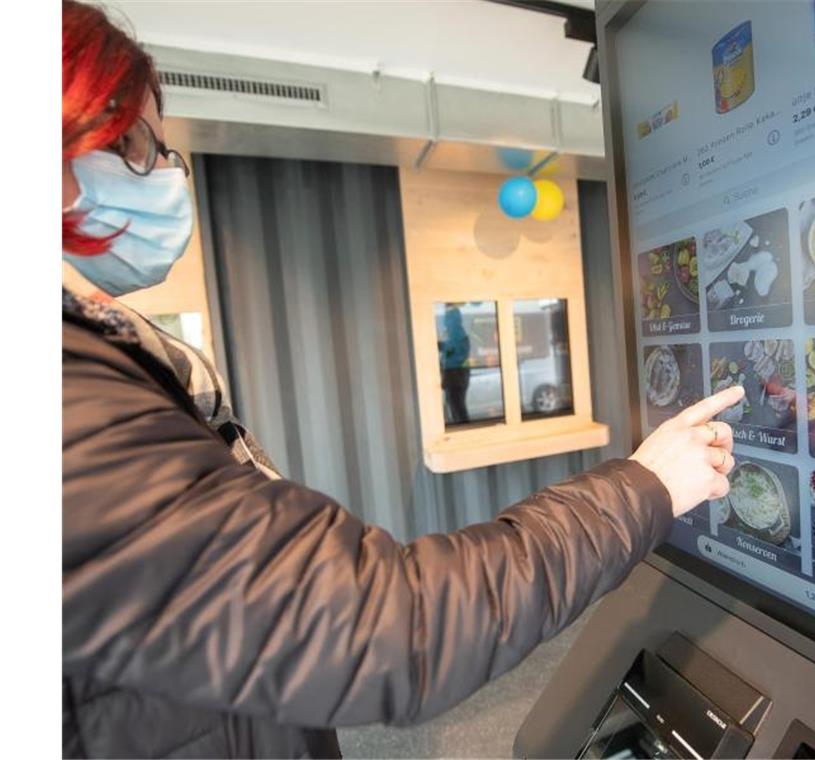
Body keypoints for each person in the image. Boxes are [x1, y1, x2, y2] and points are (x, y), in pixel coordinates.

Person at [61, 2, 742, 758]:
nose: (169, 173)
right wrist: (646, 485)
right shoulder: (65, 395)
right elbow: (384, 627)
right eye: (144, 145)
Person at [439, 305, 472, 424]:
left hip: (455, 374)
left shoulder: (456, 332)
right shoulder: (458, 332)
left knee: (457, 407)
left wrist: (440, 346)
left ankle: (464, 432)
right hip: (458, 374)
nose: (445, 318)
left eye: (448, 315)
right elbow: (453, 349)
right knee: (457, 407)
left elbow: (453, 350)